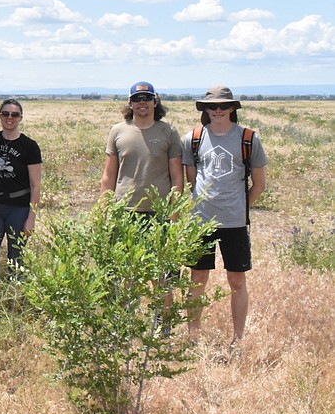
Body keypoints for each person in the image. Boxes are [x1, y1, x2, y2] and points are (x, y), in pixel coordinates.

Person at [182, 86, 268, 345]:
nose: (217, 111)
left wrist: (239, 208)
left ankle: (237, 341)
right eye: (212, 106)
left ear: (233, 108)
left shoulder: (249, 139)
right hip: (201, 221)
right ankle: (193, 338)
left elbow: (259, 185)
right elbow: (191, 181)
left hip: (235, 223)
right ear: (205, 109)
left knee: (237, 280)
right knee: (197, 279)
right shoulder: (193, 138)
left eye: (223, 106)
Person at [0, 99, 43, 313]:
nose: (9, 118)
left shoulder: (29, 146)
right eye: (6, 114)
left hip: (19, 209)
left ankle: (15, 305)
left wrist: (32, 217)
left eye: (14, 114)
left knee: (17, 258)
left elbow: (36, 184)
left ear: (21, 118)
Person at [100, 81, 183, 212]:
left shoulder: (169, 131)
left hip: (159, 210)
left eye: (147, 98)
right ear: (130, 103)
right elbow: (109, 176)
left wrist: (174, 213)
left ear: (155, 102)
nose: (142, 102)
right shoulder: (117, 131)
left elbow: (177, 177)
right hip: (124, 208)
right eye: (137, 98)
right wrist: (104, 211)